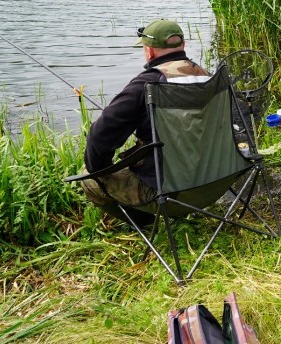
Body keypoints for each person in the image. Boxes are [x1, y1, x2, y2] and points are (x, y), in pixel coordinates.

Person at [81, 18, 209, 225]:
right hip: (212, 182)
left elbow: (99, 137)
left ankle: (149, 221)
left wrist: (100, 169)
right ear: (182, 45)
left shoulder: (146, 84)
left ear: (149, 52)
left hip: (169, 192)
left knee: (88, 177)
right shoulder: (209, 78)